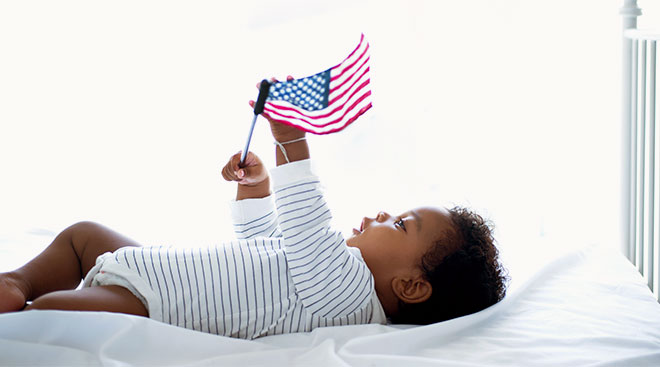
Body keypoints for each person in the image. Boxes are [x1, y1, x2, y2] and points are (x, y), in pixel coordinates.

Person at [0, 79, 508, 338]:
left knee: (50, 316)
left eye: (399, 224)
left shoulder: (348, 295)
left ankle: (25, 301)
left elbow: (304, 222)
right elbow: (264, 240)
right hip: (154, 266)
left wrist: (291, 139)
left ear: (412, 286)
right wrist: (258, 185)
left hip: (155, 306)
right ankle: (19, 280)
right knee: (83, 234)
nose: (379, 215)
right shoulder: (325, 271)